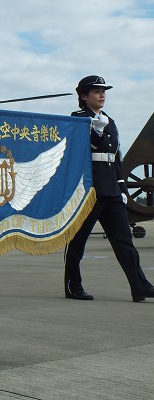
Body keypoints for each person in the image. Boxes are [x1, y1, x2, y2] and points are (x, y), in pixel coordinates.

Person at [65, 75, 154, 302]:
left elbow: (115, 157)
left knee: (125, 242)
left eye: (103, 91)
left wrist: (122, 188)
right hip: (89, 191)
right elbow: (85, 149)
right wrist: (96, 130)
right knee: (77, 242)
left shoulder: (109, 121)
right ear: (84, 96)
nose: (102, 95)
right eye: (96, 91)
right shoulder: (77, 120)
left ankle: (140, 287)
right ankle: (73, 286)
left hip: (111, 191)